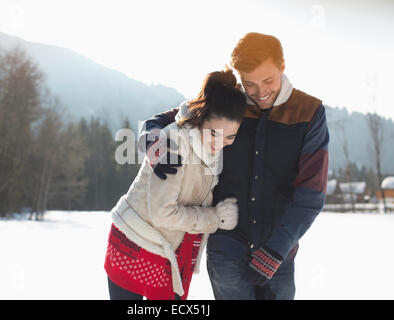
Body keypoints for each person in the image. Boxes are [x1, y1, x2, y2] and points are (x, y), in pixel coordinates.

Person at [139, 32, 329, 300]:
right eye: (249, 83)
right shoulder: (229, 102)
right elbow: (175, 115)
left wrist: (276, 250)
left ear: (283, 67)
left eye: (269, 80)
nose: (260, 93)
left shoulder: (309, 112)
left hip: (280, 254)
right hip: (227, 248)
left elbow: (311, 195)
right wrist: (152, 135)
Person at [104, 68, 247, 300]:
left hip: (165, 248)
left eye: (230, 137)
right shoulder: (173, 145)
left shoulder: (212, 147)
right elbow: (163, 213)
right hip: (135, 242)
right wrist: (213, 218)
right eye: (215, 134)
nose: (221, 144)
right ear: (201, 118)